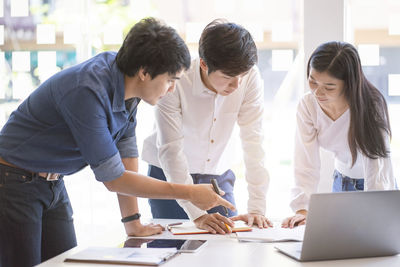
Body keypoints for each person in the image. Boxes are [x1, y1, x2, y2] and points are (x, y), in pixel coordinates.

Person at [0, 17, 235, 267]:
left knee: (63, 263)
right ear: (144, 72)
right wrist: (189, 192)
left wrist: (132, 222)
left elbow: (125, 154)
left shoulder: (126, 80)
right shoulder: (87, 91)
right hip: (13, 180)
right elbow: (114, 179)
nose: (171, 90)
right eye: (170, 80)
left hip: (53, 182)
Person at [142, 19, 272, 235]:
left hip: (217, 176)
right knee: (171, 251)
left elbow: (253, 140)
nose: (237, 85)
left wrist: (257, 207)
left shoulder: (249, 78)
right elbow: (171, 149)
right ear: (203, 64)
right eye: (228, 77)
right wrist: (198, 214)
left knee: (227, 246)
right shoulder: (175, 79)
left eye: (241, 76)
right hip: (168, 175)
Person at [282, 41, 397, 228]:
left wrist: (376, 214)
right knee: (341, 249)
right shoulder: (308, 105)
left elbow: (377, 167)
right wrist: (302, 209)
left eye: (329, 87)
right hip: (342, 183)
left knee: (375, 246)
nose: (318, 92)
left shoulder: (371, 104)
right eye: (313, 81)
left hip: (377, 186)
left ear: (348, 84)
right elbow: (306, 162)